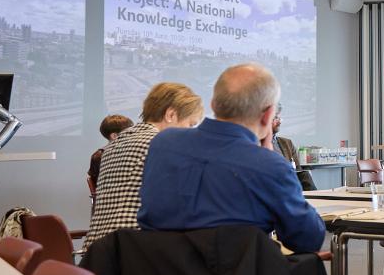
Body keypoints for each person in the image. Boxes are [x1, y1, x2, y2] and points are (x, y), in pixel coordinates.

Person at [137, 63, 325, 254]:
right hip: (235, 272)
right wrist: (268, 156)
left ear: (213, 104)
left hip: (160, 270)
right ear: (268, 115)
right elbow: (308, 239)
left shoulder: (163, 143)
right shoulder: (270, 166)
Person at [84, 85, 202, 252]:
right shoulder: (162, 143)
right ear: (171, 114)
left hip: (97, 250)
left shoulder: (114, 145)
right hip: (134, 250)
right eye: (190, 124)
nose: (190, 132)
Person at [268, 102, 316, 191]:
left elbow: (297, 169)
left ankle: (315, 197)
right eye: (276, 118)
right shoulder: (256, 142)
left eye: (279, 118)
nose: (280, 122)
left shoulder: (287, 143)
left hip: (289, 180)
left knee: (305, 175)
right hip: (273, 181)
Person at [88, 114, 133, 195]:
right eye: (129, 133)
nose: (134, 135)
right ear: (114, 136)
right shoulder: (99, 156)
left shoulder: (97, 155)